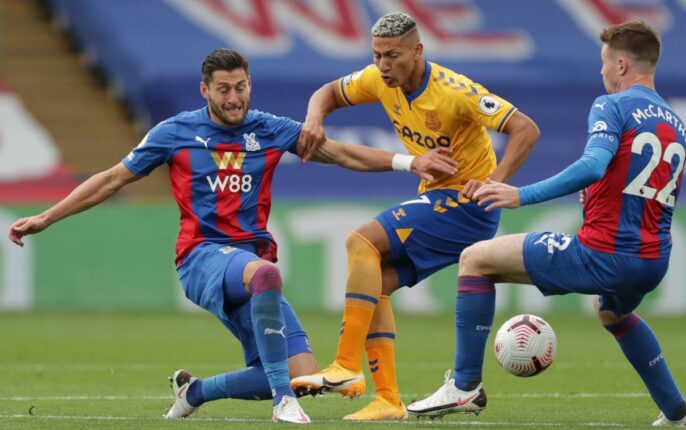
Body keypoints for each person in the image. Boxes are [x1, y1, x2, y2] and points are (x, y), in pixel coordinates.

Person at [6, 48, 457, 424]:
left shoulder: (268, 129)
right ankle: (284, 403)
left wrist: (410, 163)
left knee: (299, 372)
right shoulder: (175, 132)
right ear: (205, 91)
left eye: (241, 87)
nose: (234, 97)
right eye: (224, 89)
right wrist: (46, 217)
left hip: (248, 261)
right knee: (266, 278)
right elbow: (111, 179)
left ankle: (195, 391)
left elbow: (340, 154)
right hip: (201, 257)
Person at [407, 21, 686, 426]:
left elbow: (593, 164)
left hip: (603, 253)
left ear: (621, 65)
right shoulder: (676, 123)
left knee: (475, 259)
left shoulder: (612, 105)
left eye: (604, 62)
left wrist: (521, 194)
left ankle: (464, 387)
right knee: (612, 312)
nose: (602, 71)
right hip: (653, 260)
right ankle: (678, 411)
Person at [290, 12, 540, 421]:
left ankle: (345, 364)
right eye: (376, 55)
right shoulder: (377, 78)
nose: (383, 65)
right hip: (439, 199)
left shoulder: (455, 91)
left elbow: (526, 129)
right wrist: (314, 119)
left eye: (392, 55)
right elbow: (327, 92)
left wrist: (492, 183)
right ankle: (388, 400)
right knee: (375, 282)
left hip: (466, 205)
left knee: (360, 241)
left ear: (418, 51)